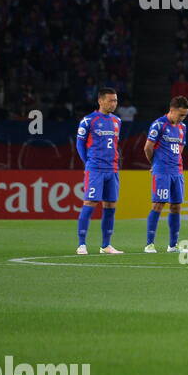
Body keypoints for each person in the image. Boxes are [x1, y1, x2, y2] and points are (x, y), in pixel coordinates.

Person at [75, 88, 123, 255]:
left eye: (115, 100)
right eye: (110, 100)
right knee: (90, 203)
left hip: (112, 169)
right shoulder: (88, 120)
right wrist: (88, 162)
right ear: (100, 101)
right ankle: (82, 244)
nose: (114, 103)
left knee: (110, 205)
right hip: (95, 169)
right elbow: (80, 145)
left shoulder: (117, 121)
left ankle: (106, 245)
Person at [143, 96, 188, 253]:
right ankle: (149, 244)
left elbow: (180, 149)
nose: (183, 118)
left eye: (185, 115)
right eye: (181, 115)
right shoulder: (159, 125)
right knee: (158, 205)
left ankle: (173, 245)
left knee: (176, 207)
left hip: (177, 172)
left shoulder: (182, 128)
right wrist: (154, 164)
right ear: (172, 110)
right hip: (162, 171)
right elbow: (147, 147)